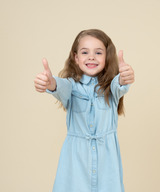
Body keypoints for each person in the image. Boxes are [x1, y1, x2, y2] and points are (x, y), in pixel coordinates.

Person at [34, 29, 135, 192]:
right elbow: (61, 87)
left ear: (107, 57)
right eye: (85, 52)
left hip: (107, 163)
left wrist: (125, 77)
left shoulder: (111, 88)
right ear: (76, 57)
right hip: (75, 163)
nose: (91, 57)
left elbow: (120, 84)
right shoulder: (71, 86)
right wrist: (50, 82)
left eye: (98, 52)